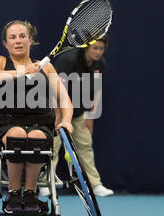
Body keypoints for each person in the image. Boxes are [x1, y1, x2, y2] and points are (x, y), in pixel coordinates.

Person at [0, 20, 73, 214]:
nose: (18, 41)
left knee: (37, 138)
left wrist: (66, 120)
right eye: (12, 37)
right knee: (18, 135)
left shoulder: (46, 68)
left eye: (23, 36)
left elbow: (64, 99)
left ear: (31, 40)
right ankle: (13, 194)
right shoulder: (0, 61)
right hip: (10, 123)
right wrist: (23, 71)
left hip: (41, 124)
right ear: (6, 44)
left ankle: (30, 194)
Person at [41, 36, 114, 197]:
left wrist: (90, 117)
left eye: (101, 49)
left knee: (85, 146)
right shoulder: (68, 60)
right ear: (86, 48)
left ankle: (94, 184)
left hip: (79, 112)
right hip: (58, 108)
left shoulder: (100, 64)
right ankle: (45, 183)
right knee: (53, 145)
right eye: (95, 48)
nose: (98, 52)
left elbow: (96, 91)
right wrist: (58, 116)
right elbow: (55, 88)